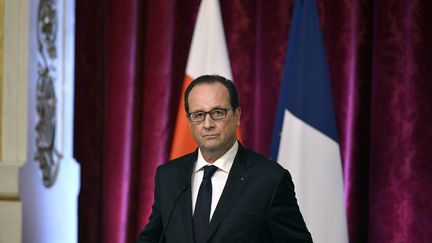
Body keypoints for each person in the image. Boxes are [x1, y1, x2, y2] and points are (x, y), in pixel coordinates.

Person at [137, 74, 313, 243]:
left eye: (218, 112)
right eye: (198, 115)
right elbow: (152, 238)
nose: (208, 124)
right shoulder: (168, 176)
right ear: (189, 121)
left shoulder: (270, 179)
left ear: (236, 116)